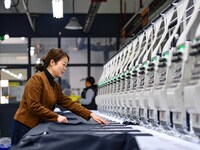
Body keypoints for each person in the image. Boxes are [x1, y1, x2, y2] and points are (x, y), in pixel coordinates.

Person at [11, 48, 109, 145]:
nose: (65, 68)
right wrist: (56, 116)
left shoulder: (55, 86)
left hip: (37, 127)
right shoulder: (37, 79)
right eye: (63, 64)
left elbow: (68, 103)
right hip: (24, 127)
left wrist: (90, 114)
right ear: (52, 62)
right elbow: (33, 106)